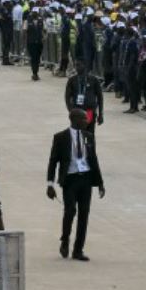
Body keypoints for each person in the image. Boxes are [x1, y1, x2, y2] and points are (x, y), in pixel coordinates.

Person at [45, 108, 103, 261]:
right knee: (70, 211)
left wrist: (100, 183)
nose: (87, 121)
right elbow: (53, 161)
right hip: (70, 180)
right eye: (84, 119)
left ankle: (78, 250)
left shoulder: (89, 136)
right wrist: (50, 184)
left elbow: (94, 160)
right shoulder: (60, 137)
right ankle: (65, 239)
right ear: (74, 119)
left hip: (86, 179)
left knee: (84, 214)